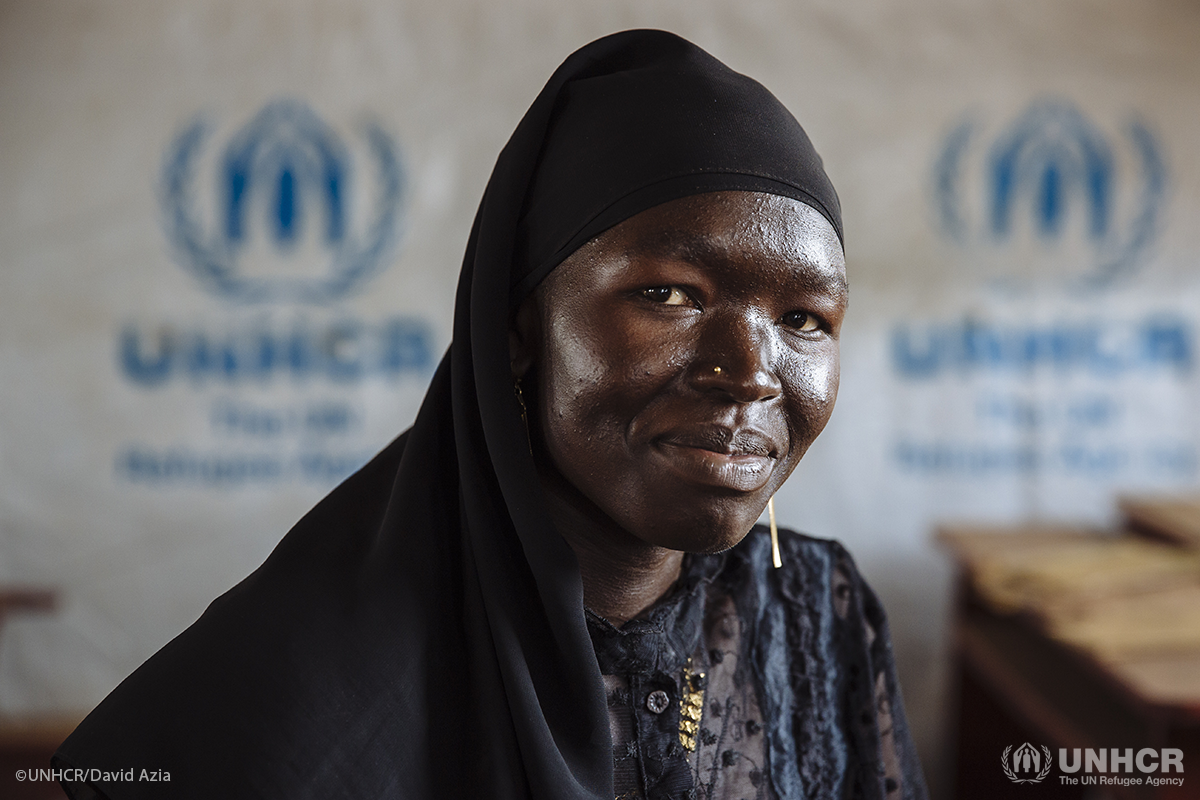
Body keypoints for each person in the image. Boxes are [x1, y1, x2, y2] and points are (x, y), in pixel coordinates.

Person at [56, 29, 928, 800]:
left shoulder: (818, 612)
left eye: (803, 319)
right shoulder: (289, 697)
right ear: (516, 333)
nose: (749, 372)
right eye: (670, 295)